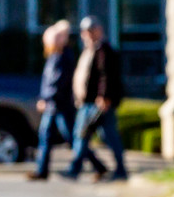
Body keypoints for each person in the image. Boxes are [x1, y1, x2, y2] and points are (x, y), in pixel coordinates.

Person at [63, 15, 129, 182]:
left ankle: (120, 169)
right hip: (85, 103)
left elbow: (106, 76)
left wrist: (104, 97)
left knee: (107, 136)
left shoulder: (104, 50)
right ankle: (76, 169)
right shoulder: (88, 50)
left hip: (98, 103)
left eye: (91, 31)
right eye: (85, 32)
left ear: (99, 30)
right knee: (81, 136)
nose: (87, 35)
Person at [26, 19, 80, 181]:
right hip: (52, 104)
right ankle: (41, 170)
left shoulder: (63, 57)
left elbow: (58, 83)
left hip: (60, 105)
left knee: (72, 137)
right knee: (45, 137)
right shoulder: (54, 56)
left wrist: (46, 98)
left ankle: (98, 165)